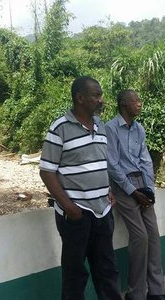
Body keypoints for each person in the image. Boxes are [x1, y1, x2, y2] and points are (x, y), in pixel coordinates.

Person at [39, 76, 122, 300]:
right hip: (75, 215)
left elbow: (98, 163)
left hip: (103, 212)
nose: (101, 100)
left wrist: (107, 190)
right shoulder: (60, 128)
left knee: (107, 271)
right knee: (75, 275)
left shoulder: (100, 126)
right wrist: (69, 207)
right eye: (96, 95)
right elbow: (47, 171)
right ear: (80, 98)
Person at [106, 89, 165, 300]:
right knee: (140, 237)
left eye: (140, 100)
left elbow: (145, 160)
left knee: (153, 235)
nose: (139, 103)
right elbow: (112, 166)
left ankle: (157, 291)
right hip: (123, 187)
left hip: (142, 183)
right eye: (135, 100)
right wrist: (133, 191)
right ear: (123, 104)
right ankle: (135, 294)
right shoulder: (111, 129)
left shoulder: (139, 129)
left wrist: (148, 188)